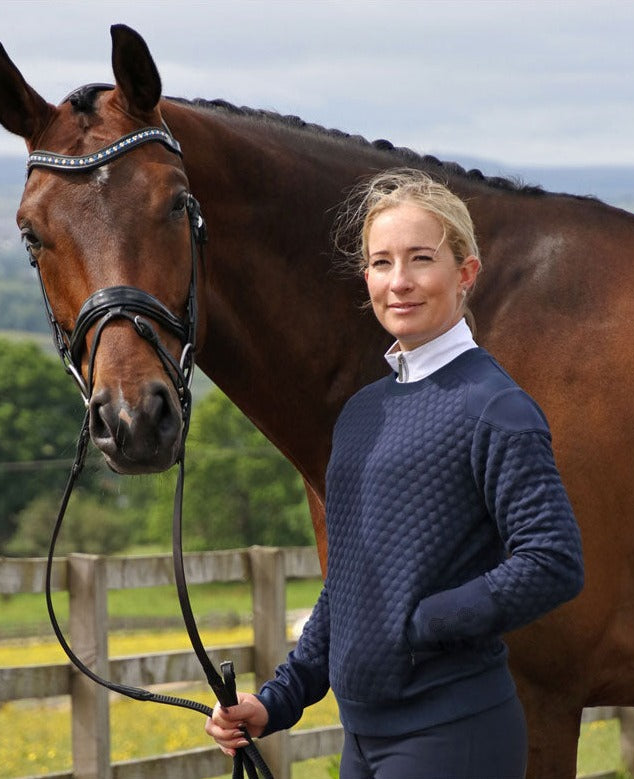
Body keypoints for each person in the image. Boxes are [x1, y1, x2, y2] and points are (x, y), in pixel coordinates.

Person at [205, 169, 584, 778]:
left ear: (465, 274)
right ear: (367, 280)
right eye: (382, 263)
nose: (399, 282)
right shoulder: (364, 412)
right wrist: (275, 701)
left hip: (454, 733)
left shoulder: (496, 407)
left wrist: (425, 622)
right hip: (364, 740)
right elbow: (348, 586)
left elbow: (554, 559)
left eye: (420, 259)